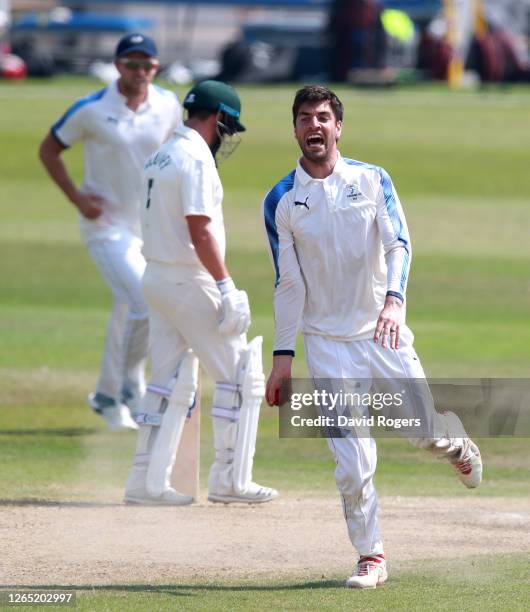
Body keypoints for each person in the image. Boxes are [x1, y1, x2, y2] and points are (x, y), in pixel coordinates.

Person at [262, 85, 482, 589]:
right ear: (294, 129)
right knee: (352, 460)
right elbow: (288, 282)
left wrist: (393, 302)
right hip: (325, 342)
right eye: (303, 118)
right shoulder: (281, 199)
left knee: (424, 434)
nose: (313, 125)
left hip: (382, 333)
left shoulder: (371, 178)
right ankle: (371, 556)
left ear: (339, 127)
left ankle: (457, 443)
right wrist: (282, 358)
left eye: (322, 117)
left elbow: (398, 244)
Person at [123, 80, 278, 506]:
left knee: (167, 382)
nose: (228, 137)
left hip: (155, 276)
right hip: (188, 279)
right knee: (240, 373)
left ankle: (145, 482)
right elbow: (199, 226)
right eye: (229, 126)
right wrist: (225, 284)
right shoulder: (194, 158)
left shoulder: (159, 154)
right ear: (219, 118)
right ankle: (231, 480)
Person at [39, 33, 182, 431]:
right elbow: (48, 149)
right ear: (118, 65)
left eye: (147, 65)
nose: (139, 72)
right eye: (131, 64)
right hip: (106, 227)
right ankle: (130, 389)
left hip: (150, 228)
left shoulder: (167, 105)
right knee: (142, 299)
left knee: (127, 310)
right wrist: (77, 198)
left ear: (156, 67)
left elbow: (177, 155)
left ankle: (105, 396)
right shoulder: (92, 109)